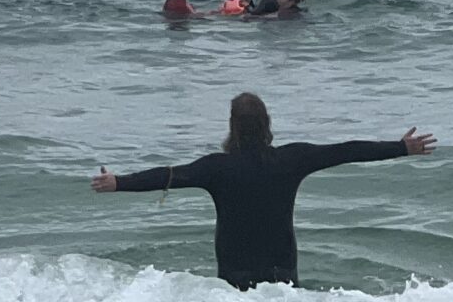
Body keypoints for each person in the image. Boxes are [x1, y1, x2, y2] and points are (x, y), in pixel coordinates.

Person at [89, 93, 435, 289]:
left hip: (234, 279)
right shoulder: (291, 159)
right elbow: (346, 151)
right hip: (282, 276)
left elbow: (169, 176)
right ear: (267, 123)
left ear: (232, 126)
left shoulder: (217, 167)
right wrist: (401, 148)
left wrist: (119, 182)